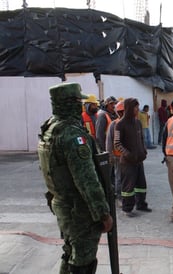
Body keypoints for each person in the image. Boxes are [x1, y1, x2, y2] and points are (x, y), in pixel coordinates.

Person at [38, 82, 113, 273]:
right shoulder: (72, 135)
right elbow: (87, 180)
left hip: (62, 204)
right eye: (79, 101)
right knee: (83, 260)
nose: (81, 106)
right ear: (71, 103)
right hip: (78, 211)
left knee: (70, 251)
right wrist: (103, 213)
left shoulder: (50, 128)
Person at [114, 98, 151, 217]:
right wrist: (127, 154)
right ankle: (127, 208)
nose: (137, 110)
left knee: (141, 184)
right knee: (128, 186)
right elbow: (117, 143)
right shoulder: (120, 124)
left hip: (139, 160)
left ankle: (141, 204)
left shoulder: (137, 123)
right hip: (127, 162)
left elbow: (141, 140)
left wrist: (143, 151)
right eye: (135, 107)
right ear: (129, 108)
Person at [106, 100, 125, 203]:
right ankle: (120, 197)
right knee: (119, 177)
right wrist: (110, 155)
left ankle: (127, 196)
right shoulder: (114, 124)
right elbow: (109, 141)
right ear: (121, 112)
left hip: (129, 157)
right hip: (118, 156)